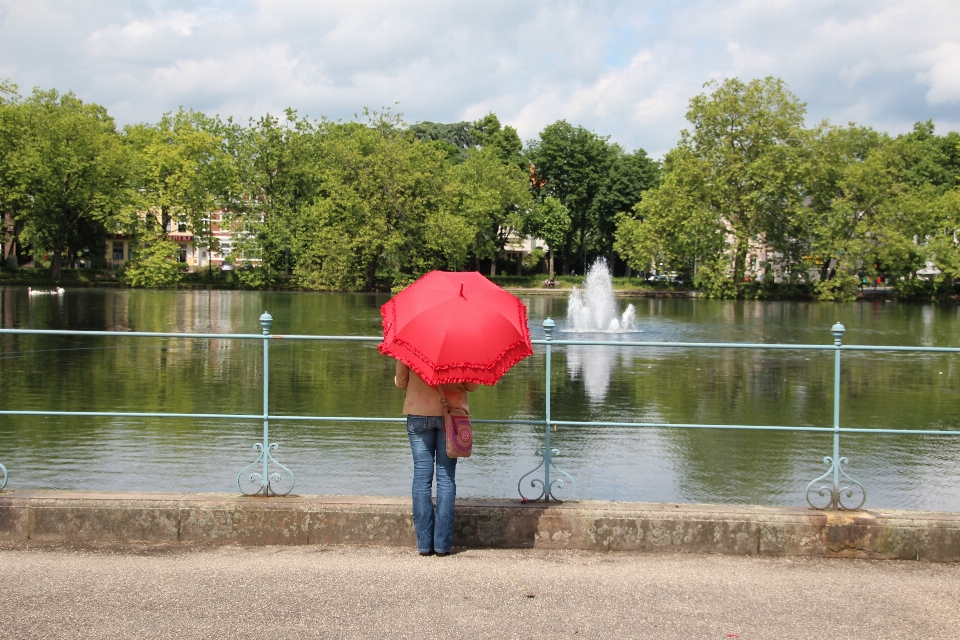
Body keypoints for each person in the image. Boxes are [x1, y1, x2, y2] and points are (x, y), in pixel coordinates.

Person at [394, 360, 478, 556]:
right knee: (446, 477)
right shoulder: (462, 346)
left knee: (422, 477)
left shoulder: (410, 343)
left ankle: (424, 545)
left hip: (418, 413)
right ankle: (442, 545)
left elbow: (401, 383)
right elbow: (472, 386)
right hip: (452, 415)